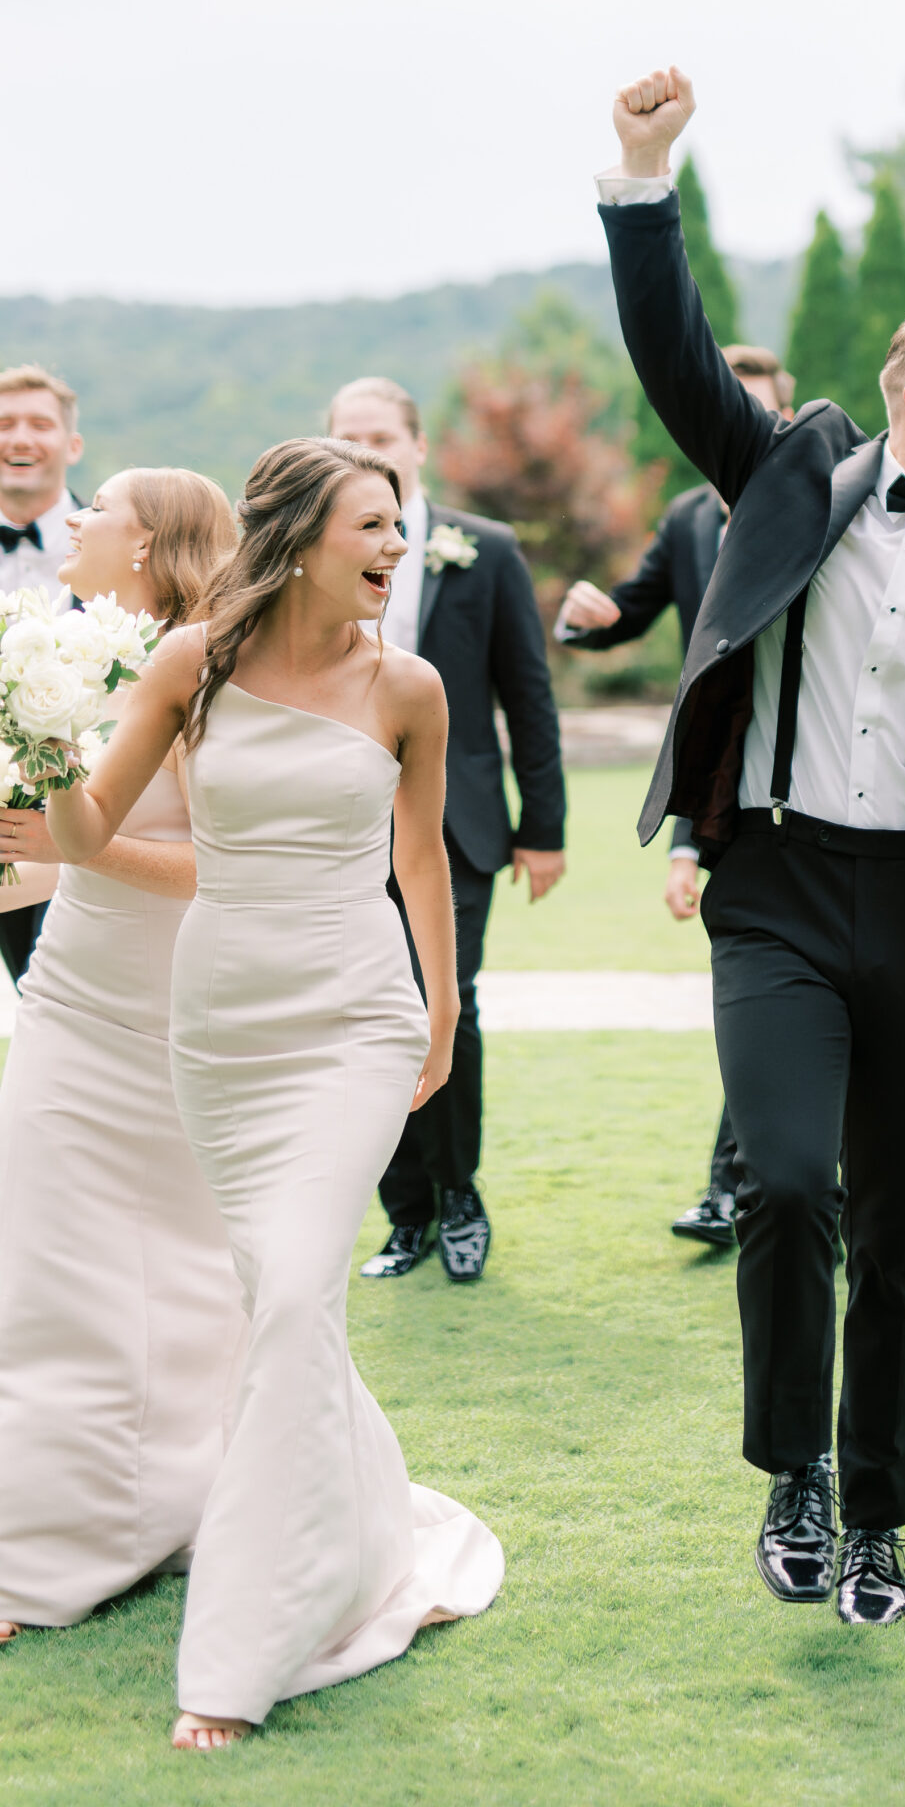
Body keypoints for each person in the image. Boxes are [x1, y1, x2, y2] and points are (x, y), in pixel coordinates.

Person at [594, 67, 905, 1626]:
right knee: (792, 1185)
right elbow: (679, 360)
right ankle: (793, 1479)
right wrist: (641, 174)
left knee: (895, 1238)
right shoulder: (786, 483)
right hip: (778, 898)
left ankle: (878, 1520)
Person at [46, 438, 503, 1747]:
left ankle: (238, 1661)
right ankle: (358, 1532)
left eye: (401, 529)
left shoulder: (407, 687)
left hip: (354, 1021)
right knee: (280, 1307)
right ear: (301, 536)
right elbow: (91, 833)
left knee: (298, 1290)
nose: (395, 550)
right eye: (374, 526)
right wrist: (36, 762)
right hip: (224, 1033)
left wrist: (444, 1007)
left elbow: (420, 858)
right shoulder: (194, 667)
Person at [559, 346, 905, 1271]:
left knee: (863, 1025)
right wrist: (590, 620)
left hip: (860, 800)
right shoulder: (686, 521)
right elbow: (640, 612)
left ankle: (899, 1197)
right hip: (736, 791)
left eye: (760, 416)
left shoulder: (848, 514)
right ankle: (738, 1186)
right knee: (776, 1015)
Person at [0, 469, 246, 1648]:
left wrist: (73, 842)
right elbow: (70, 853)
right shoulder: (80, 665)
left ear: (144, 544)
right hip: (70, 997)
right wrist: (35, 852)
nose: (76, 522)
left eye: (95, 509)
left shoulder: (206, 670)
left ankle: (162, 1505)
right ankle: (49, 1529)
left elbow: (223, 865)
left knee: (182, 1276)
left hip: (164, 1016)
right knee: (48, 1268)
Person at [328, 377, 566, 1287]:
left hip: (459, 825)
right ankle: (405, 1213)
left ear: (418, 447)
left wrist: (542, 827)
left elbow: (527, 695)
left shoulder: (487, 550)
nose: (365, 450)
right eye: (347, 437)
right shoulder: (308, 551)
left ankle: (460, 1194)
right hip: (342, 821)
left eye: (380, 436)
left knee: (442, 1000)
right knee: (367, 1013)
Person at [0, 363, 84, 984]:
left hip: (87, 821)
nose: (19, 439)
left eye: (38, 424)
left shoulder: (122, 541)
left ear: (72, 445)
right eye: (4, 425)